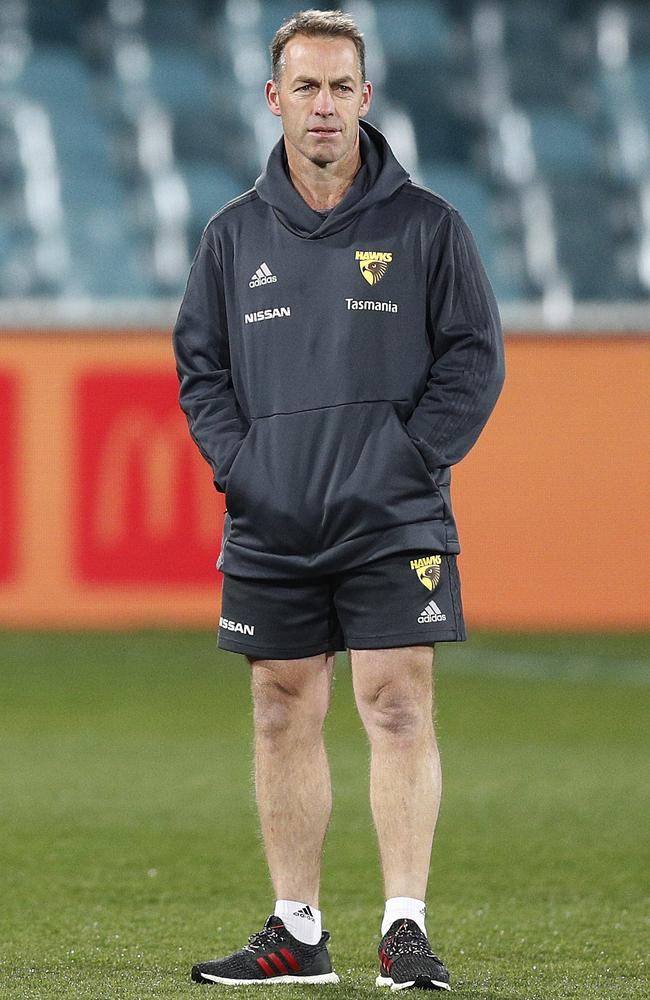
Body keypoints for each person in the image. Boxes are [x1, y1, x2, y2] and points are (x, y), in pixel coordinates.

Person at [173, 8, 504, 991]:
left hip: (391, 516)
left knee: (394, 703)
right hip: (272, 519)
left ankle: (403, 927)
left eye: (339, 87)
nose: (323, 106)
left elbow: (471, 364)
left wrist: (404, 461)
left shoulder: (427, 226)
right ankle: (295, 929)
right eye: (304, 87)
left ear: (365, 97)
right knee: (279, 710)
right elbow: (200, 369)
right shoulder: (231, 237)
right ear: (273, 99)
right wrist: (245, 468)